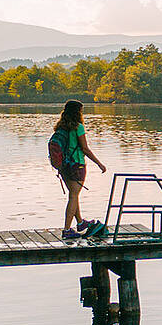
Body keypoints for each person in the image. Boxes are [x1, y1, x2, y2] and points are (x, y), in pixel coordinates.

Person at [53, 100, 106, 238]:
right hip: (77, 165)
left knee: (73, 195)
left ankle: (81, 222)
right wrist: (99, 164)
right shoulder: (78, 127)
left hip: (64, 166)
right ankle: (66, 230)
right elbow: (85, 149)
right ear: (78, 112)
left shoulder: (61, 127)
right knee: (74, 196)